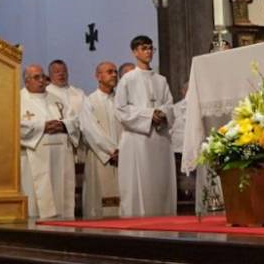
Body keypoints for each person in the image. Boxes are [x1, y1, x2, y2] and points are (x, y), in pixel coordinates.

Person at [114, 36, 176, 217]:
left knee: (160, 181)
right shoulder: (128, 79)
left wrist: (162, 113)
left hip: (159, 138)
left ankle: (164, 217)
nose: (148, 52)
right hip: (138, 139)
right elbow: (121, 110)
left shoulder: (161, 80)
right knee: (140, 182)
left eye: (150, 48)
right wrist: (149, 115)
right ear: (135, 52)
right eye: (143, 48)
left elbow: (170, 105)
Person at [19, 64, 78, 220]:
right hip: (34, 158)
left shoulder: (56, 99)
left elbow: (74, 120)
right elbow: (14, 126)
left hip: (61, 158)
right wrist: (42, 127)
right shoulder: (18, 100)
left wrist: (63, 125)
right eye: (36, 77)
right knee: (37, 200)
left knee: (61, 193)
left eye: (43, 77)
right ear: (26, 81)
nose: (41, 80)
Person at [79, 62, 123, 219]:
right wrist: (112, 150)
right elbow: (90, 129)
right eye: (109, 72)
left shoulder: (122, 100)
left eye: (115, 72)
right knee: (100, 201)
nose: (114, 75)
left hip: (124, 157)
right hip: (101, 156)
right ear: (98, 76)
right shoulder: (89, 100)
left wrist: (123, 150)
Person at [47, 59, 87, 166]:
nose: (61, 74)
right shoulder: (46, 93)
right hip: (58, 142)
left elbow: (88, 116)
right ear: (50, 75)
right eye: (57, 72)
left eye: (64, 71)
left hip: (80, 142)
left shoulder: (79, 93)